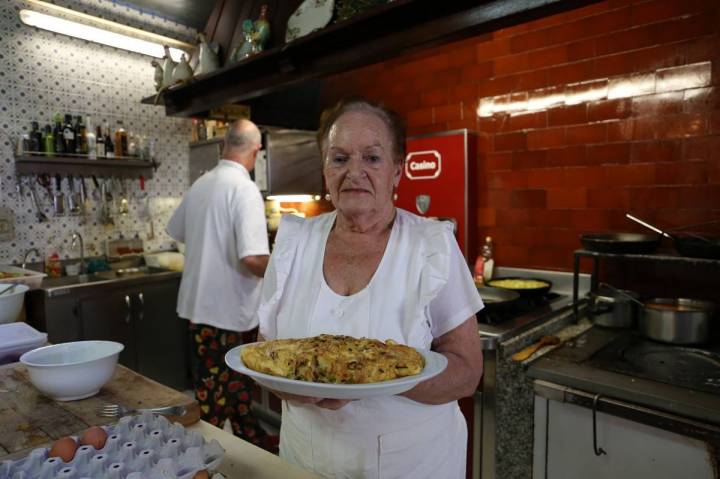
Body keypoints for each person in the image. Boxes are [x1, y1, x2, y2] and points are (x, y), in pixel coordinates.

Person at [255, 98, 484, 478]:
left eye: (372, 158)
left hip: (412, 464)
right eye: (339, 158)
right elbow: (267, 353)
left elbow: (466, 372)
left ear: (397, 171)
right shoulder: (293, 241)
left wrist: (376, 377)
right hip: (305, 459)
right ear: (325, 169)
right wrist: (290, 386)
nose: (354, 171)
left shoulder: (432, 245)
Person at [167, 119, 272, 449]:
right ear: (256, 152)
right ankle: (200, 464)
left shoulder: (202, 184)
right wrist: (291, 270)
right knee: (214, 406)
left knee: (235, 397)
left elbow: (178, 231)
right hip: (229, 316)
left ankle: (254, 454)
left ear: (224, 145)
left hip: (200, 313)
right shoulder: (244, 189)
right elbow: (253, 259)